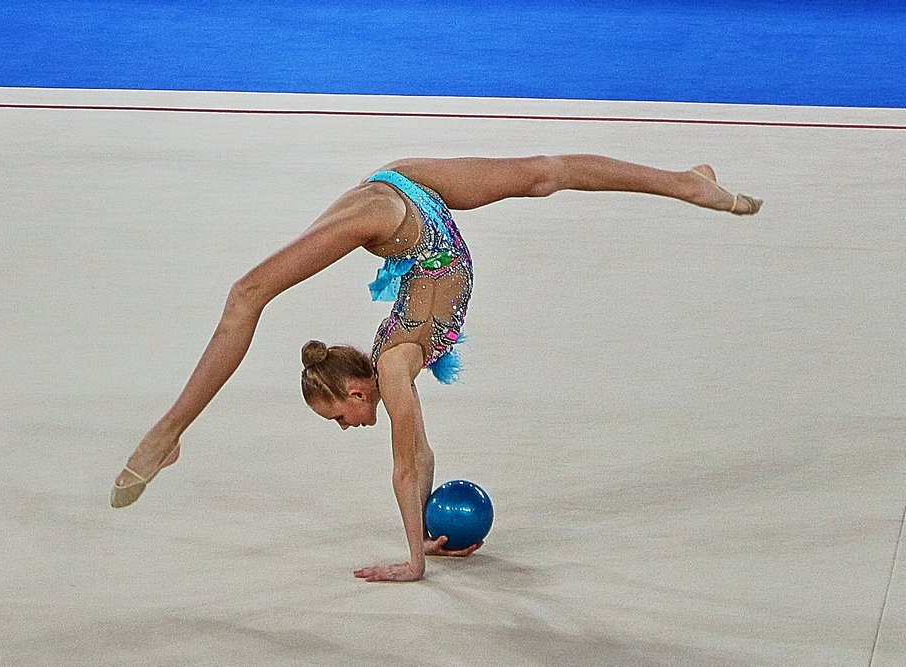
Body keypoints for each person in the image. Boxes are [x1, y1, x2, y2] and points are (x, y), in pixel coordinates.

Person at [110, 155, 762, 582]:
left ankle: (168, 433)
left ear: (357, 389)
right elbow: (421, 452)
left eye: (339, 416)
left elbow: (406, 462)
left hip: (391, 215)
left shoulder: (394, 368)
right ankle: (687, 181)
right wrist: (424, 523)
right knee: (544, 175)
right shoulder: (390, 356)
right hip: (408, 194)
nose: (346, 426)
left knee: (247, 293)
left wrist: (412, 561)